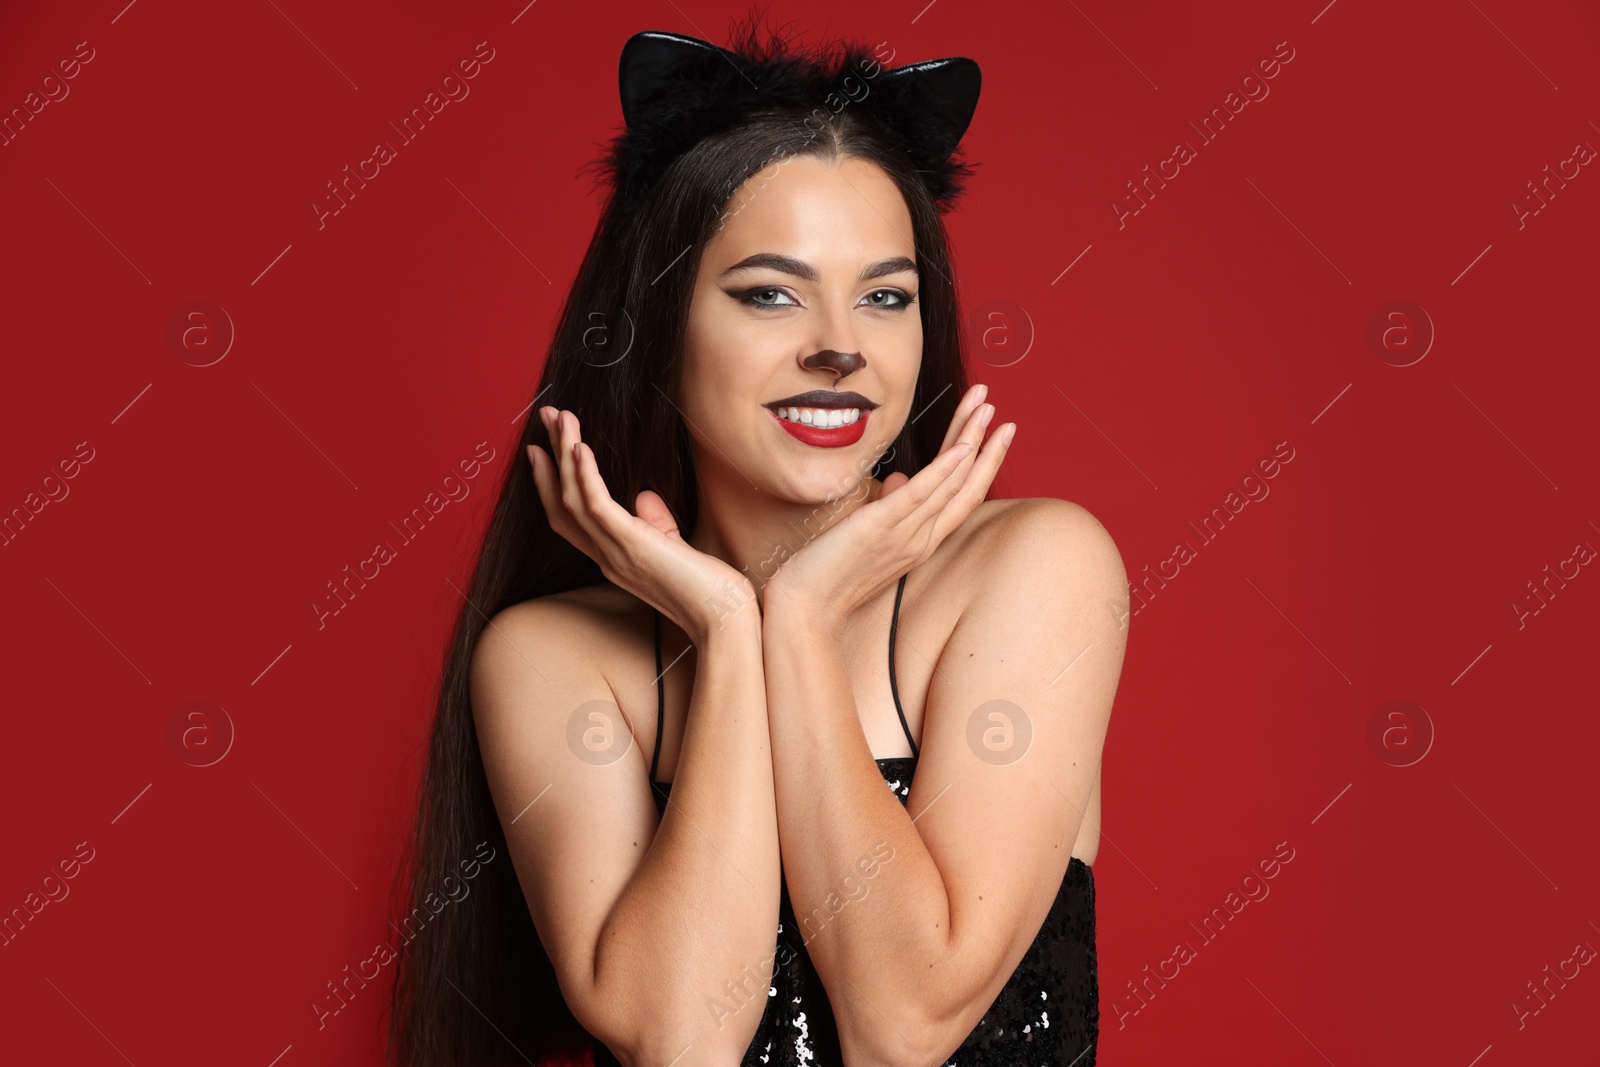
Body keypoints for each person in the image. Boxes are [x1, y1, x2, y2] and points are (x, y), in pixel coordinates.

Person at [387, 15, 1126, 1067]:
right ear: (657, 320)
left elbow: (904, 1023)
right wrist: (734, 626)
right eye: (769, 293)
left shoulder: (1035, 568)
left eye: (885, 295)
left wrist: (804, 613)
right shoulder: (549, 655)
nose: (838, 344)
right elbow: (682, 1040)